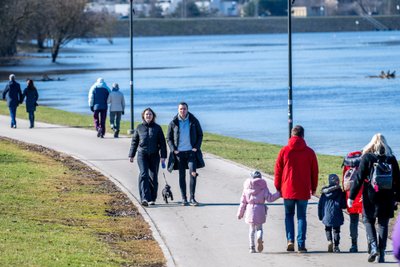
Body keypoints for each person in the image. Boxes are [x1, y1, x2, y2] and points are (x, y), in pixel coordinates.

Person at [348, 133, 400, 263]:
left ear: (372, 144)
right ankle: (381, 254)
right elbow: (398, 180)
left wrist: (351, 196)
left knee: (368, 220)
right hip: (387, 197)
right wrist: (398, 197)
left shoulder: (367, 158)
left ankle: (373, 247)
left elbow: (359, 178)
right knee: (383, 224)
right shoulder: (391, 159)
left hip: (371, 196)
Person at [274, 125, 319, 253]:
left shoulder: (284, 151)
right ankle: (301, 244)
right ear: (303, 136)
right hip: (303, 190)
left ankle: (290, 241)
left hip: (287, 189)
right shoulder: (310, 152)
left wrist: (278, 187)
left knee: (289, 215)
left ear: (292, 135)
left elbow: (278, 171)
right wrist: (314, 188)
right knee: (301, 217)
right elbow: (314, 172)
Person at [167, 102, 205, 206]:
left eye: (184, 109)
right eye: (180, 109)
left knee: (193, 174)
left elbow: (200, 135)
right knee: (182, 176)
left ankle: (192, 198)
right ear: (178, 110)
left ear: (187, 109)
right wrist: (173, 149)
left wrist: (196, 147)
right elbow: (169, 138)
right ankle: (184, 198)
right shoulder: (173, 122)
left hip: (191, 153)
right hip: (179, 154)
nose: (182, 111)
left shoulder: (193, 121)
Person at [129, 108, 167, 206]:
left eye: (150, 114)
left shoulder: (157, 128)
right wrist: (131, 155)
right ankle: (144, 198)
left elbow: (162, 143)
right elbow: (134, 142)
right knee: (144, 174)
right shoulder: (139, 128)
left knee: (153, 177)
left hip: (154, 155)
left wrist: (163, 156)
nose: (148, 116)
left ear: (153, 116)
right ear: (143, 116)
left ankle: (152, 198)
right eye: (146, 114)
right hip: (142, 155)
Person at [237, 170, 280, 253]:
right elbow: (270, 198)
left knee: (251, 229)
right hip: (260, 210)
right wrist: (279, 194)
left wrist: (240, 213)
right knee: (259, 228)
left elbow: (243, 202)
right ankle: (259, 238)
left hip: (250, 210)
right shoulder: (263, 187)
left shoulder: (246, 188)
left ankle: (251, 247)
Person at [318, 174, 347, 253]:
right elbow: (343, 205)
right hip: (337, 213)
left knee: (328, 229)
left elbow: (320, 205)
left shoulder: (324, 193)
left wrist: (320, 216)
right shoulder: (340, 192)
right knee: (336, 230)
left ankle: (329, 241)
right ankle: (336, 246)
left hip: (326, 214)